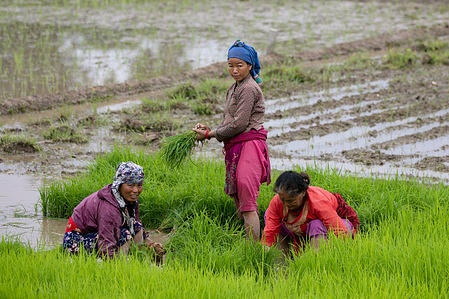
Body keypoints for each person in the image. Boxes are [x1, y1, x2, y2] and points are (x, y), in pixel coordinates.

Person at [192, 39, 271, 242]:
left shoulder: (249, 88)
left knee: (248, 204)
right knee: (242, 203)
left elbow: (238, 125)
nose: (234, 70)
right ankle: (247, 245)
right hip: (238, 146)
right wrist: (208, 129)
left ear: (250, 65)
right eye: (230, 65)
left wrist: (210, 135)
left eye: (239, 65)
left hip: (249, 147)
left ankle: (253, 251)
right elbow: (230, 121)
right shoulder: (234, 87)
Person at [62, 161, 165, 260]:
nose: (136, 190)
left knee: (137, 227)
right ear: (119, 185)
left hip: (98, 232)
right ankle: (121, 265)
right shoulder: (109, 207)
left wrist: (150, 245)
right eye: (130, 185)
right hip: (76, 239)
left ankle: (137, 258)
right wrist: (112, 266)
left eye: (139, 185)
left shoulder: (130, 200)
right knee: (124, 235)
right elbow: (107, 244)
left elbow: (134, 226)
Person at [262, 171, 359, 256]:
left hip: (338, 225)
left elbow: (338, 230)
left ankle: (314, 259)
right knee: (268, 214)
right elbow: (270, 231)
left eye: (290, 201)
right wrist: (264, 254)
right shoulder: (277, 202)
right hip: (302, 228)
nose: (286, 204)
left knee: (316, 225)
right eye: (283, 200)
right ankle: (284, 261)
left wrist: (343, 254)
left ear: (303, 193)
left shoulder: (318, 202)